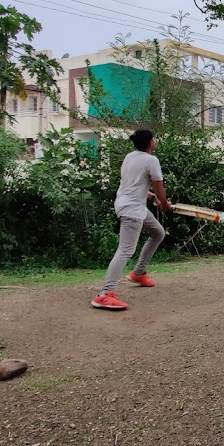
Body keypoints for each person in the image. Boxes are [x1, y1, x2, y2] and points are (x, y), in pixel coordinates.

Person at [91, 128, 172, 311]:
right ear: (150, 142)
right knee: (125, 250)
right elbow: (159, 187)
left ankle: (139, 272)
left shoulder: (130, 157)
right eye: (155, 139)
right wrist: (164, 203)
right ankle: (105, 294)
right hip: (132, 210)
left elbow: (134, 185)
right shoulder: (151, 160)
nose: (155, 141)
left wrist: (152, 198)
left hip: (130, 204)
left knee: (157, 233)